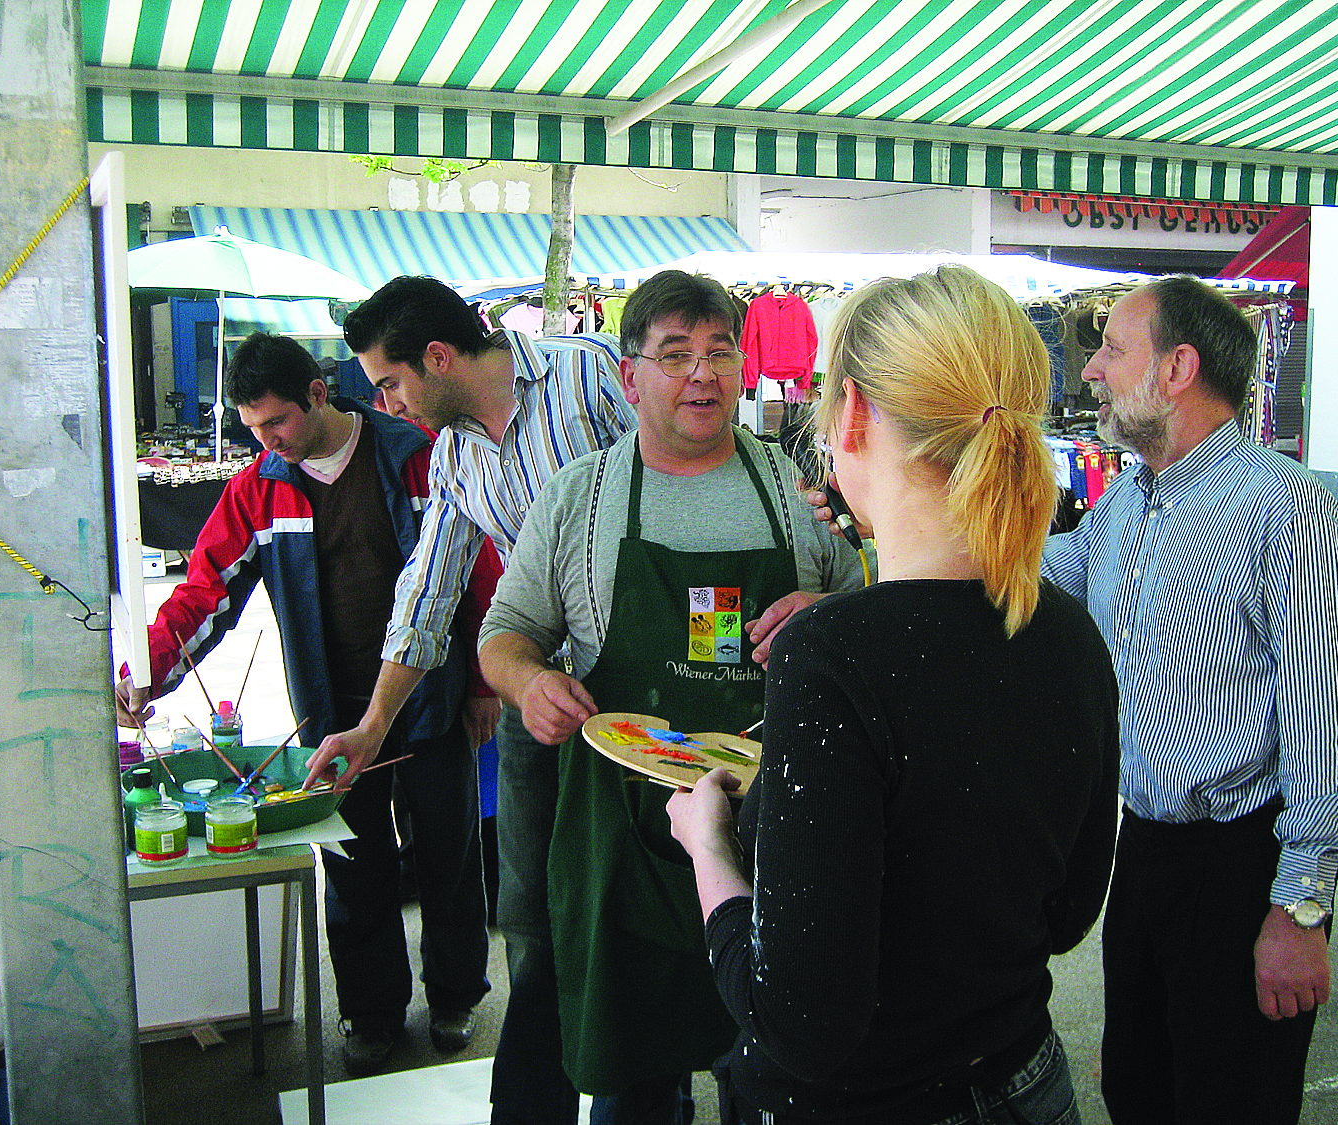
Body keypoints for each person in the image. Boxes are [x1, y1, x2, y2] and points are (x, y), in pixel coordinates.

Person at [667, 265, 1121, 1124]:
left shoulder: (835, 654)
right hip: (1026, 1085)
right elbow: (1065, 914)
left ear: (856, 414)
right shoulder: (1068, 631)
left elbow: (799, 1021)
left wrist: (709, 844)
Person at [478, 270, 865, 1123]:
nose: (703, 374)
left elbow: (876, 615)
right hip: (624, 838)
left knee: (768, 1072)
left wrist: (831, 613)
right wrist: (530, 680)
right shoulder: (581, 496)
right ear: (629, 376)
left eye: (720, 351)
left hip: (773, 834)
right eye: (676, 354)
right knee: (633, 1085)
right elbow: (504, 632)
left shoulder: (798, 491)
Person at [1042, 276, 1338, 1125]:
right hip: (1150, 853)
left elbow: (1333, 725)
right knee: (1138, 1087)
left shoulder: (1286, 509)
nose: (1090, 370)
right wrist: (878, 563)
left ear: (1177, 367)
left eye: (1112, 348)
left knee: (1229, 1101)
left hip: (1246, 867)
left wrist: (1299, 908)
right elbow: (1047, 581)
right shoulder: (1131, 497)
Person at [300, 276, 636, 1120]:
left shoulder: (588, 375)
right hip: (533, 702)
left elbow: (689, 473)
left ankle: (641, 1091)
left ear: (438, 358)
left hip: (641, 700)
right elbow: (428, 593)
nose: (384, 401)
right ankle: (538, 1103)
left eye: (389, 381)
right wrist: (373, 726)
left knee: (636, 907)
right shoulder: (453, 457)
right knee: (527, 916)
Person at [116, 333, 493, 1077]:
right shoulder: (260, 484)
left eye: (276, 423)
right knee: (354, 864)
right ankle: (371, 1011)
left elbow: (474, 567)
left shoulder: (409, 452)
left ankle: (455, 995)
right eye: (252, 428)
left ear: (319, 394)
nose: (266, 442)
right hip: (329, 712)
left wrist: (483, 682)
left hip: (433, 694)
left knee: (449, 853)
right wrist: (149, 672)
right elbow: (204, 590)